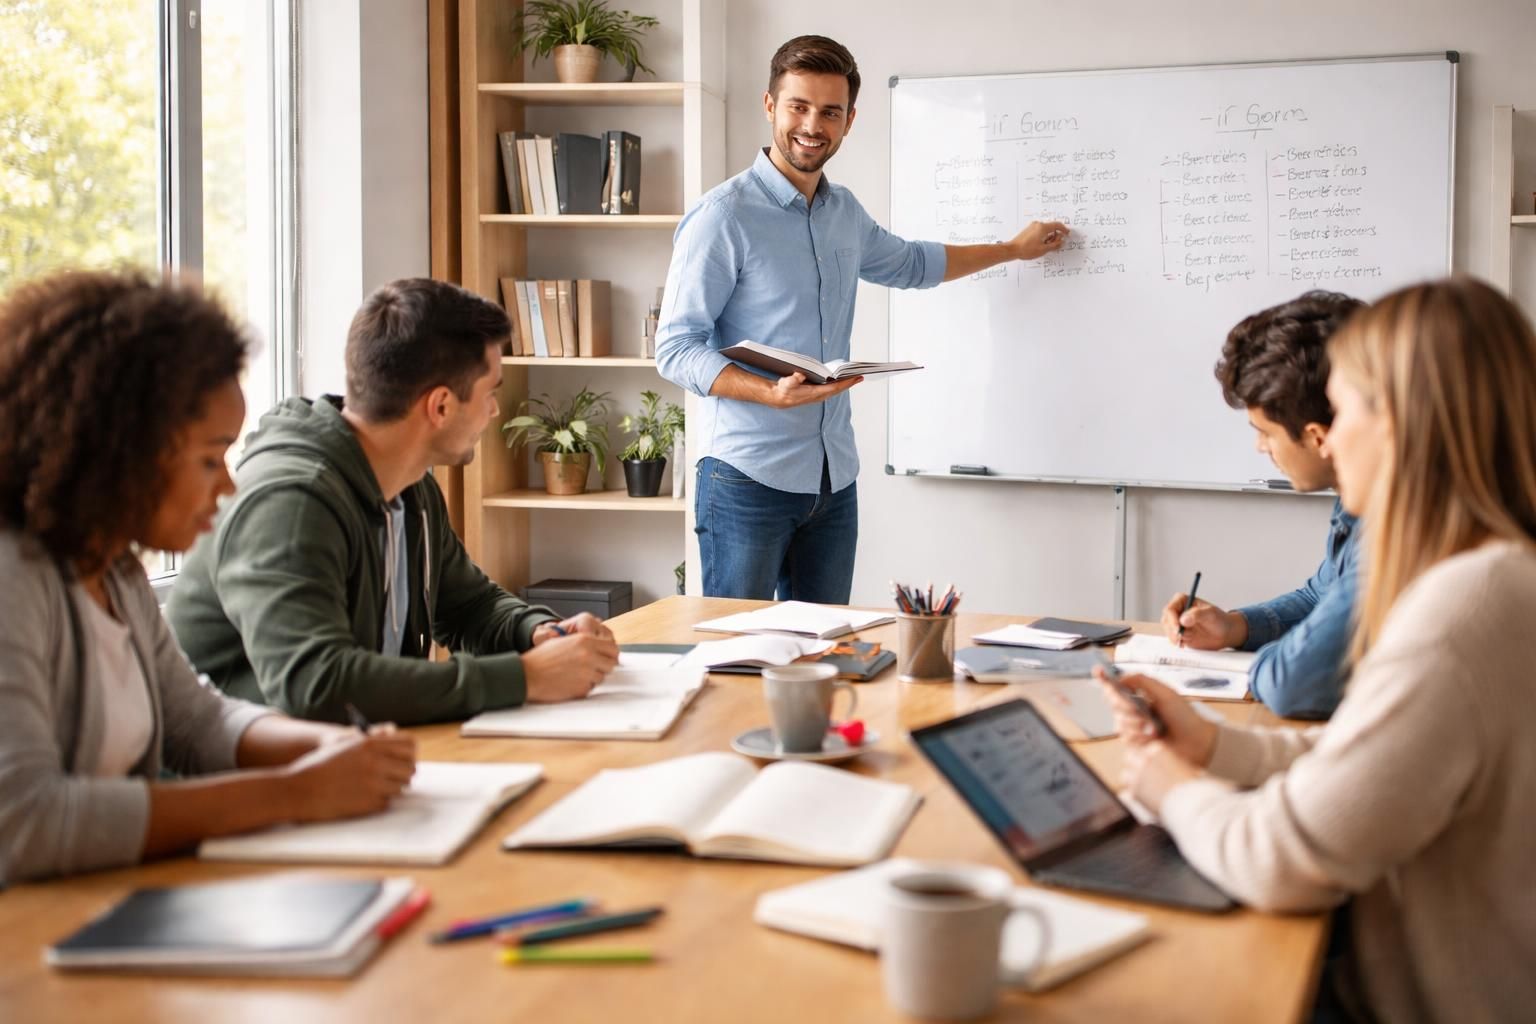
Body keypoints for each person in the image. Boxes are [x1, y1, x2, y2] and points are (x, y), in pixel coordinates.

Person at [1101, 277, 1536, 1022]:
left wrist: (1171, 786)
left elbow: (1280, 860)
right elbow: (1377, 762)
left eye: (1347, 405)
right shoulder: (1495, 571)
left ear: (1397, 423)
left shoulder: (1460, 612)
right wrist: (1212, 745)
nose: (1329, 434)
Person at [0, 269, 418, 885]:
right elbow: (23, 821)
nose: (226, 485)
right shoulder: (15, 578)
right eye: (207, 457)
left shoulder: (111, 568)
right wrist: (292, 794)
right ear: (116, 449)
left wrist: (323, 750)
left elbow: (193, 719)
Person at [656, 35, 1069, 603]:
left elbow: (912, 263)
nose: (812, 125)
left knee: (824, 656)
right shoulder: (723, 217)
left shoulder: (843, 211)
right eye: (798, 106)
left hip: (831, 481)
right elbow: (676, 348)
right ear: (770, 105)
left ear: (850, 121)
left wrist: (1011, 249)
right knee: (738, 656)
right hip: (746, 479)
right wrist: (767, 393)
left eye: (830, 111)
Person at [166, 278, 618, 726]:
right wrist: (522, 678)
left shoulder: (411, 485)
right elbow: (315, 685)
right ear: (440, 407)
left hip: (352, 758)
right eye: (491, 393)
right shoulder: (291, 503)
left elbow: (467, 606)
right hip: (245, 777)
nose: (494, 412)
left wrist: (535, 632)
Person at [1160, 292, 1364, 718]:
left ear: (1316, 436)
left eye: (1265, 432)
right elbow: (1322, 596)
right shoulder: (1356, 500)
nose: (1259, 447)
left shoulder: (1396, 525)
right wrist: (1235, 628)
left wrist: (1275, 659)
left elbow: (1297, 684)